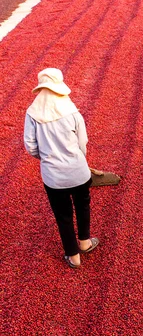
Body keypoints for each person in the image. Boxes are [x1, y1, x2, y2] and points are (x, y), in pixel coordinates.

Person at [24, 68, 99, 268]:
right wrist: (76, 158)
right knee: (82, 206)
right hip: (79, 172)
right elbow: (82, 142)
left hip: (53, 178)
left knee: (63, 215)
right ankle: (84, 242)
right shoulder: (72, 111)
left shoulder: (32, 114)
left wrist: (48, 159)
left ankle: (73, 256)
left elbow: (30, 146)